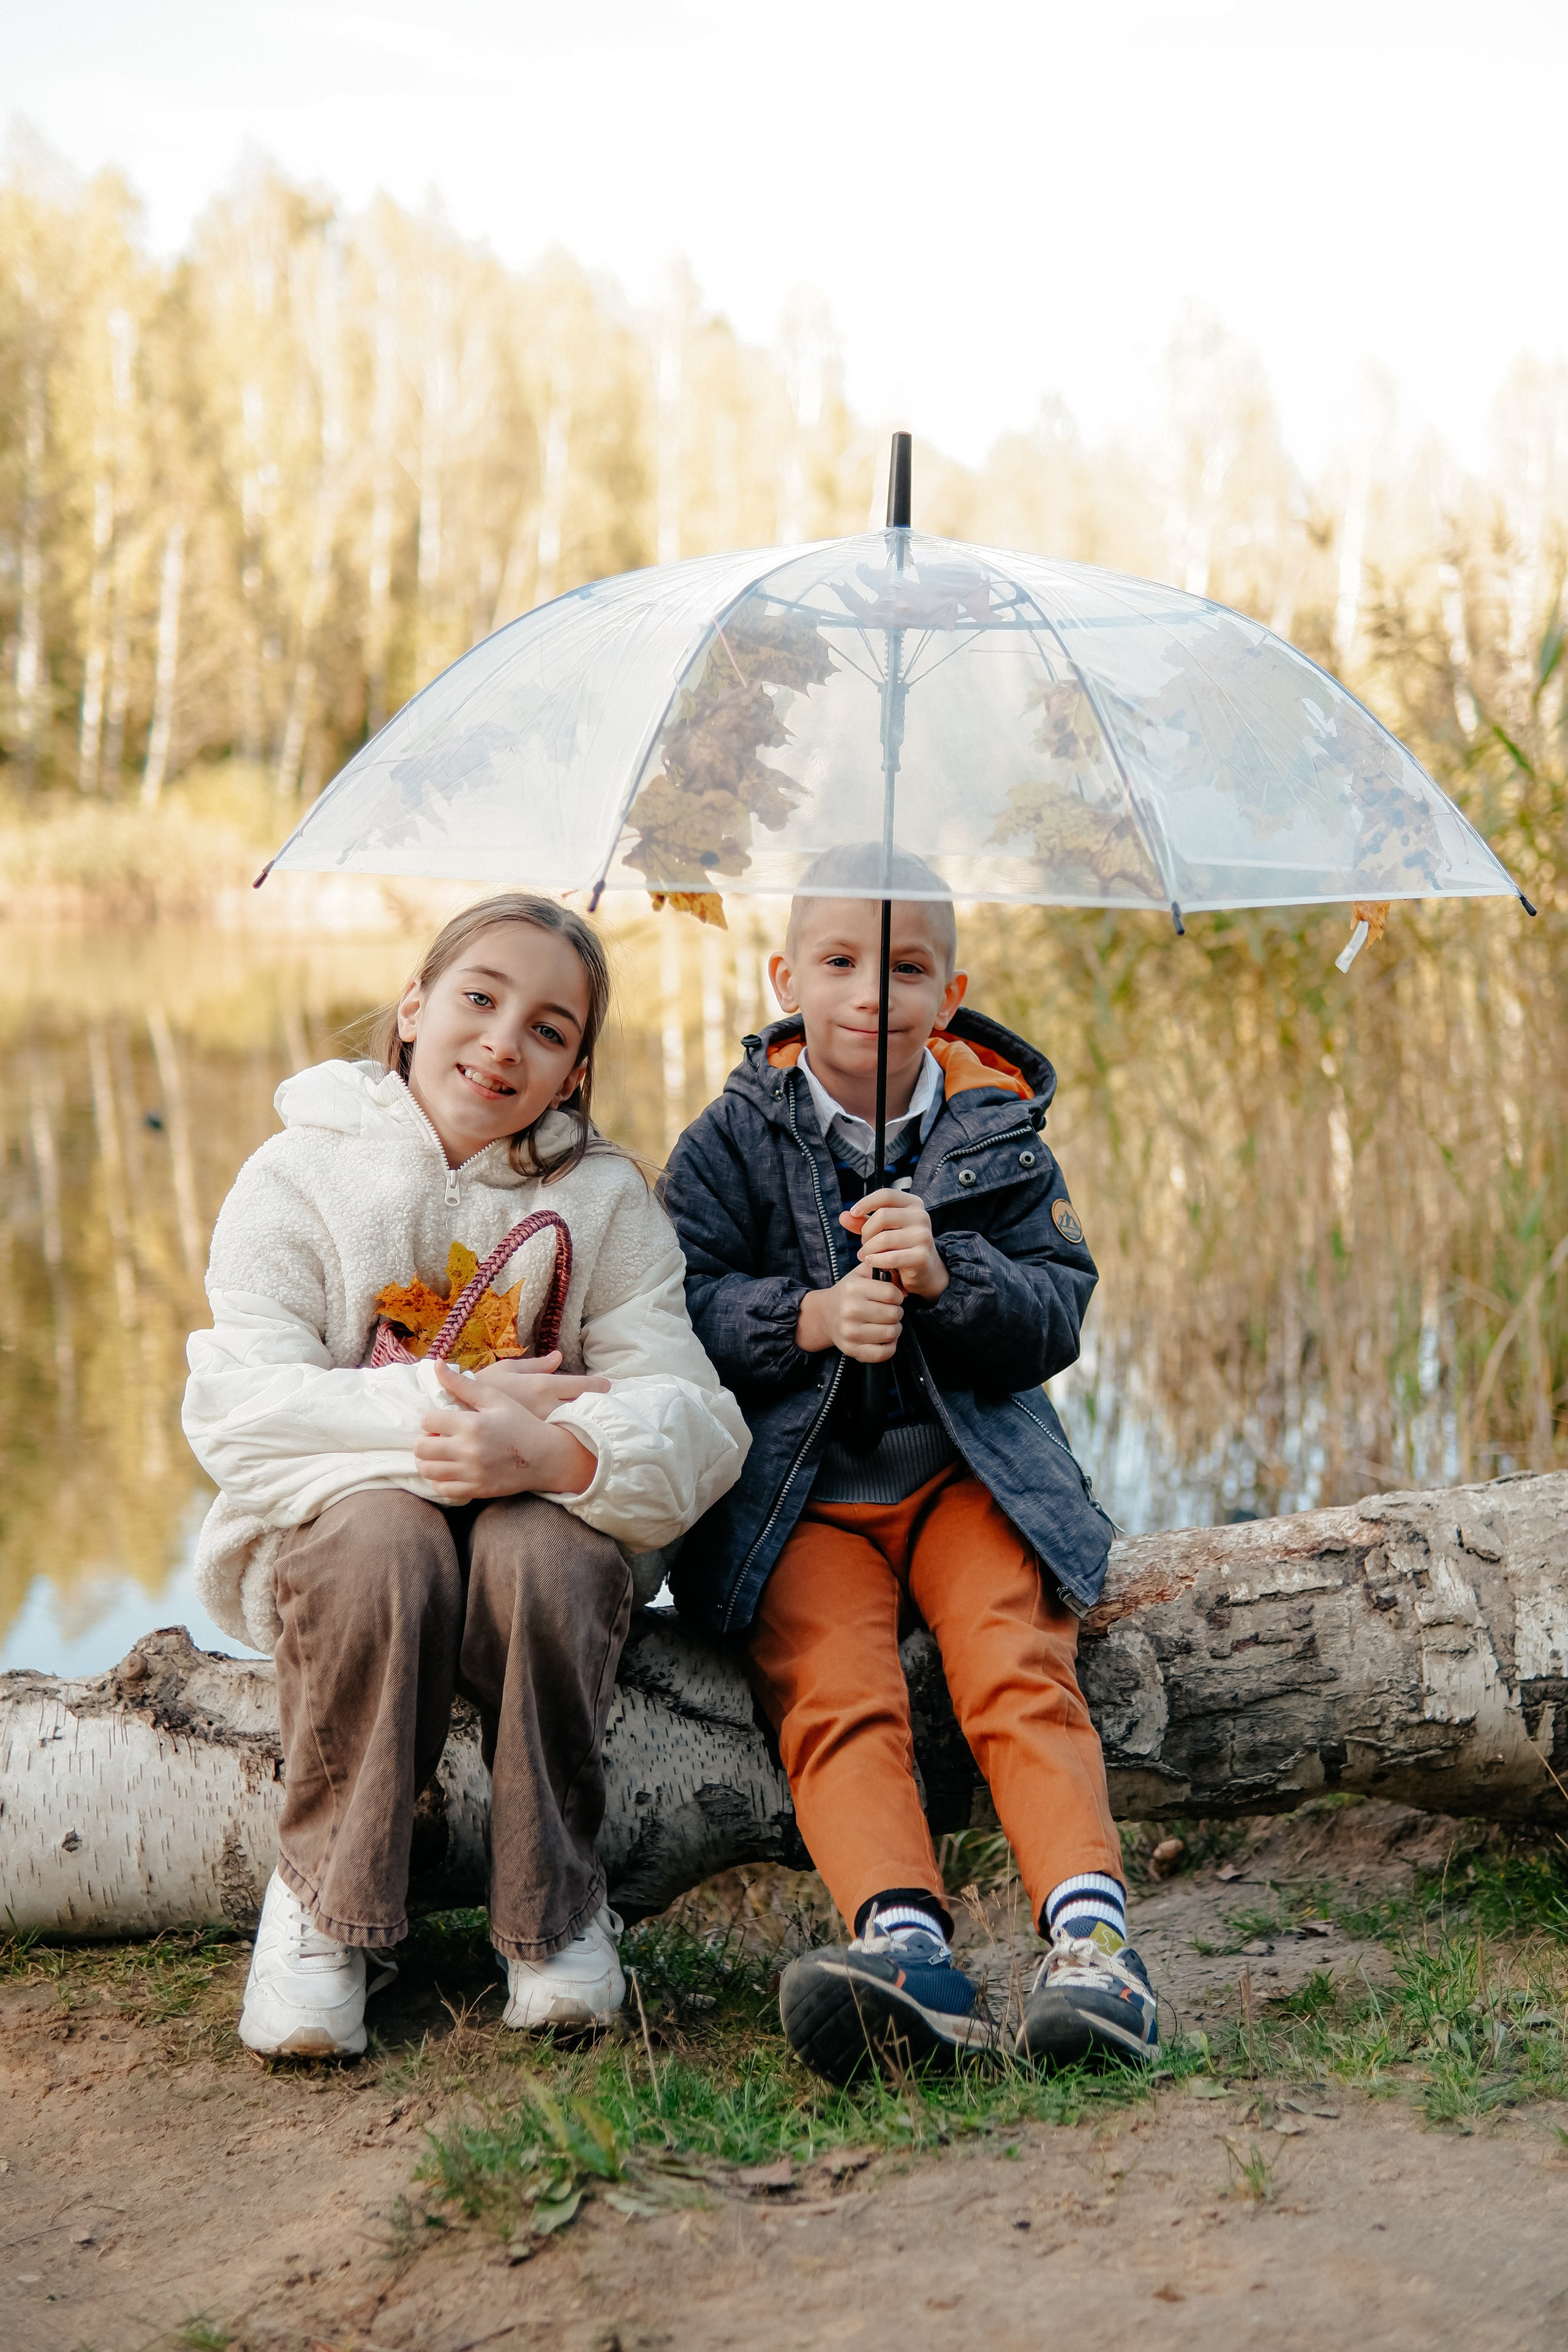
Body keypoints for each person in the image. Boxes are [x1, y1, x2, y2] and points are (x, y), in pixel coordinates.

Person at [184, 892, 748, 2058]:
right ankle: (326, 1910)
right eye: (479, 999)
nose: (502, 1043)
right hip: (347, 1546)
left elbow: (700, 1423)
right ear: (412, 1006)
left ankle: (554, 1915)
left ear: (575, 1071)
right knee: (387, 1539)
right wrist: (455, 1410)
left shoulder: (605, 1202)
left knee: (542, 1548)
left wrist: (552, 1452)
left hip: (531, 1539)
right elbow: (239, 1412)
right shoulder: (297, 1174)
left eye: (547, 1029)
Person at [663, 845, 1154, 2084]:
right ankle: (905, 1948)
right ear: (785, 979)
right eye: (839, 962)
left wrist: (947, 1275)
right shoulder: (727, 1142)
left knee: (1014, 1662)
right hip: (801, 1497)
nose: (871, 993)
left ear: (951, 992)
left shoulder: (998, 1135)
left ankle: (1093, 1947)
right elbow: (675, 1308)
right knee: (836, 1691)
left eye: (906, 967)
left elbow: (1057, 1313)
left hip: (964, 1476)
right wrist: (808, 1318)